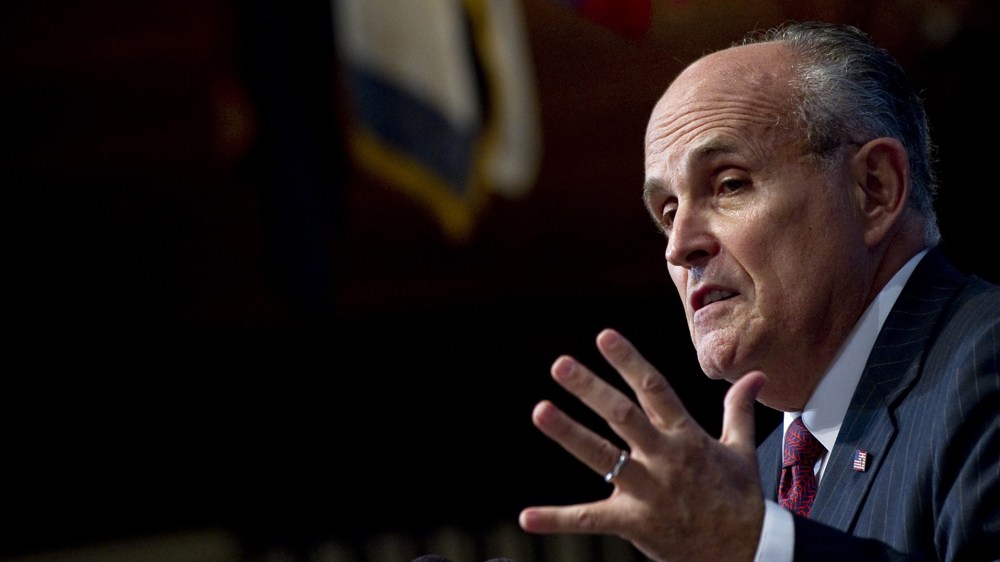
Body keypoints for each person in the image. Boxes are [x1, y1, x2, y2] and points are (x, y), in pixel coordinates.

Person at [518, 20, 999, 562]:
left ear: (874, 189)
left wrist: (750, 545)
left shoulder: (984, 363)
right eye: (668, 212)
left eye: (728, 185)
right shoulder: (756, 478)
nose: (679, 248)